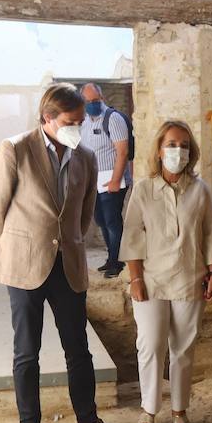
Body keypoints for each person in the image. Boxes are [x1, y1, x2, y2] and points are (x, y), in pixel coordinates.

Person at [0, 82, 121, 423]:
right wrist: (15, 247)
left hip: (68, 266)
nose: (80, 127)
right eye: (72, 121)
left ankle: (87, 419)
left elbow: (85, 213)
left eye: (80, 121)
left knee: (78, 348)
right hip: (24, 266)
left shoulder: (86, 158)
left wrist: (68, 242)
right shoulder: (15, 150)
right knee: (27, 351)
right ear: (48, 118)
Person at [119, 120, 212, 423]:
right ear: (159, 149)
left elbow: (210, 234)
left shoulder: (200, 189)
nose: (177, 151)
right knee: (150, 345)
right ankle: (149, 409)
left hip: (189, 280)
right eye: (171, 144)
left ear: (190, 152)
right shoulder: (144, 189)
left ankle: (180, 410)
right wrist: (135, 278)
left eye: (183, 145)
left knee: (183, 348)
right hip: (150, 281)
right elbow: (132, 235)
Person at [80, 82, 133, 278]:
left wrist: (114, 181)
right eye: (88, 101)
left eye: (96, 100)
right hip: (94, 183)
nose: (92, 104)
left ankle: (118, 262)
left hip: (113, 182)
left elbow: (123, 152)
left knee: (112, 222)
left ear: (102, 98)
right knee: (101, 221)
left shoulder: (113, 119)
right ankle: (111, 258)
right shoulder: (84, 122)